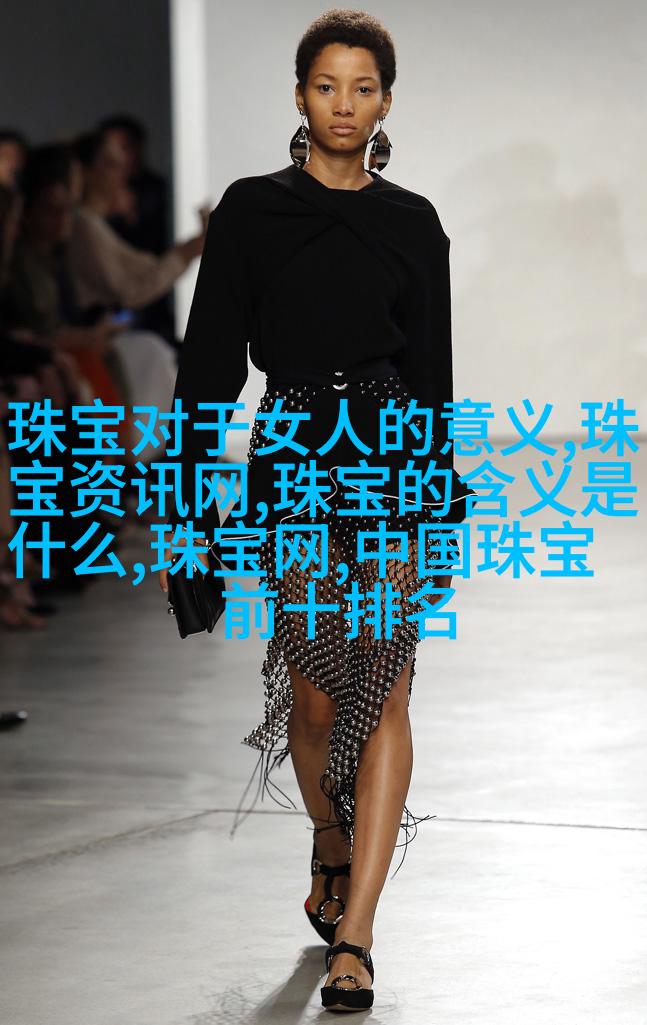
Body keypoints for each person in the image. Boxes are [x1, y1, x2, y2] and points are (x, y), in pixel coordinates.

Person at [158, 9, 477, 1012]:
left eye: (362, 88)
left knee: (386, 688)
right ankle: (328, 840)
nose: (344, 105)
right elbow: (209, 367)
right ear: (300, 95)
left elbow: (431, 375)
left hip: (389, 456)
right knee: (316, 697)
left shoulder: (412, 221)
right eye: (326, 85)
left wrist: (436, 499)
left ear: (386, 101)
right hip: (294, 450)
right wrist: (187, 509)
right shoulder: (252, 212)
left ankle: (356, 934)